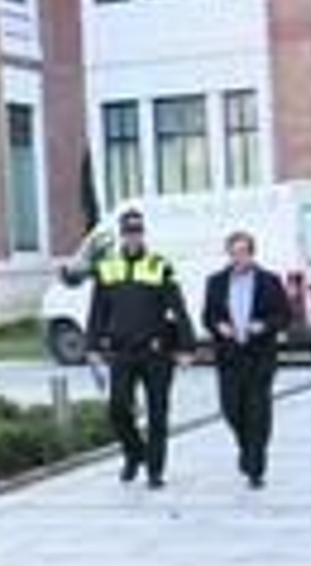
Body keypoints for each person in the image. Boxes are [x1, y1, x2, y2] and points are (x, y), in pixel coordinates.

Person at [88, 208, 197, 489]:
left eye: (137, 232)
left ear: (143, 233)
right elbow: (98, 310)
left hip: (157, 352)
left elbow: (178, 307)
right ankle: (135, 453)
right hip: (122, 352)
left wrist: (187, 346)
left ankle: (155, 471)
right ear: (121, 235)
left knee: (158, 413)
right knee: (118, 408)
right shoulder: (107, 266)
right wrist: (92, 346)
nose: (133, 237)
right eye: (128, 232)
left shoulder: (159, 265)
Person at [202, 230, 292, 489]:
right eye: (234, 253)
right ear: (228, 254)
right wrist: (219, 326)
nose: (239, 257)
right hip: (229, 357)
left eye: (244, 252)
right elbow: (207, 316)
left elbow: (284, 315)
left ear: (252, 253)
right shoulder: (216, 282)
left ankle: (256, 467)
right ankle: (246, 447)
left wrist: (263, 325)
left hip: (259, 356)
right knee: (231, 409)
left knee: (258, 412)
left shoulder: (269, 281)